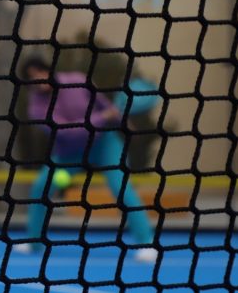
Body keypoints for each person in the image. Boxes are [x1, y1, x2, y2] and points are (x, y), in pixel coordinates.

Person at [16, 57, 159, 262]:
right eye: (31, 78)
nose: (38, 79)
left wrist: (120, 119)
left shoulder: (78, 80)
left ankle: (146, 243)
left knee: (121, 188)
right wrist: (103, 117)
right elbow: (67, 132)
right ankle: (34, 242)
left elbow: (102, 103)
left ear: (48, 70)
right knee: (41, 187)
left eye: (40, 72)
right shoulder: (36, 108)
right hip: (70, 154)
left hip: (104, 144)